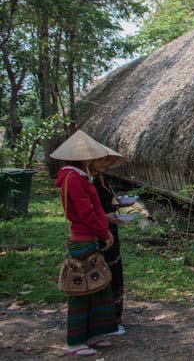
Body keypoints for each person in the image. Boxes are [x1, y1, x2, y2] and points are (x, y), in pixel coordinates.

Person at [51, 130, 123, 357]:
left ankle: (93, 334)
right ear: (82, 157)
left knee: (97, 287)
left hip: (89, 237)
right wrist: (105, 234)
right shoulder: (73, 179)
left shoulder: (78, 177)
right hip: (84, 238)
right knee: (81, 290)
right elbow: (87, 213)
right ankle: (75, 341)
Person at [94, 168, 126, 335]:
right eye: (102, 160)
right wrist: (104, 220)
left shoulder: (103, 179)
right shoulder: (84, 181)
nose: (105, 164)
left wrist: (117, 204)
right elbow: (84, 212)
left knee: (114, 270)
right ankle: (104, 320)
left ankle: (113, 317)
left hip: (109, 229)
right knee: (103, 273)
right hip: (99, 232)